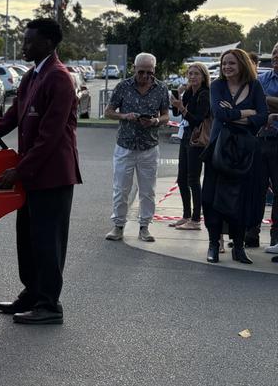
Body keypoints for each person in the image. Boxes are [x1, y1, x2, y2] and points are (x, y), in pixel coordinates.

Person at [0, 18, 81, 326]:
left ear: (48, 43)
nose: (24, 45)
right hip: (33, 174)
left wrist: (19, 170)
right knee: (29, 238)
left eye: (30, 41)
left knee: (48, 240)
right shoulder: (32, 76)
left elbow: (51, 136)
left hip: (53, 175)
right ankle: (32, 292)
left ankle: (49, 304)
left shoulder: (59, 78)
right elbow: (10, 119)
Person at [202, 48, 267, 264]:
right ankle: (213, 244)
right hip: (219, 150)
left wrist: (239, 116)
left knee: (241, 199)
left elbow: (263, 116)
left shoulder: (255, 86)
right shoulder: (217, 86)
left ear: (242, 64)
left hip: (245, 152)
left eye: (231, 63)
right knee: (213, 198)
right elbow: (220, 114)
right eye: (224, 64)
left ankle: (238, 248)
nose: (227, 67)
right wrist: (248, 113)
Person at [103, 52, 171, 242]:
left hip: (149, 147)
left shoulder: (161, 89)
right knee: (121, 188)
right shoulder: (123, 87)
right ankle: (118, 225)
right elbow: (108, 112)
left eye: (149, 73)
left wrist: (156, 120)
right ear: (134, 69)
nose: (145, 77)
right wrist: (125, 116)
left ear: (154, 71)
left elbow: (166, 115)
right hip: (125, 145)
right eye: (141, 72)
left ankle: (144, 227)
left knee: (147, 190)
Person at [170, 62, 210, 231]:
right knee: (181, 178)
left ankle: (195, 219)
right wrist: (176, 95)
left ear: (203, 76)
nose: (192, 77)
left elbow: (198, 119)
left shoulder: (204, 94)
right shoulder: (188, 92)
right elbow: (177, 113)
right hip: (186, 136)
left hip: (197, 139)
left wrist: (183, 109)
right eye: (190, 74)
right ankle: (186, 215)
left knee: (193, 179)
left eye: (196, 74)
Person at [248, 42, 278, 250]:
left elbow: (259, 102)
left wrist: (265, 101)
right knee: (255, 190)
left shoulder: (262, 83)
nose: (276, 55)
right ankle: (251, 234)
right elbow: (251, 102)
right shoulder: (262, 78)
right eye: (275, 52)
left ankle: (276, 238)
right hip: (259, 140)